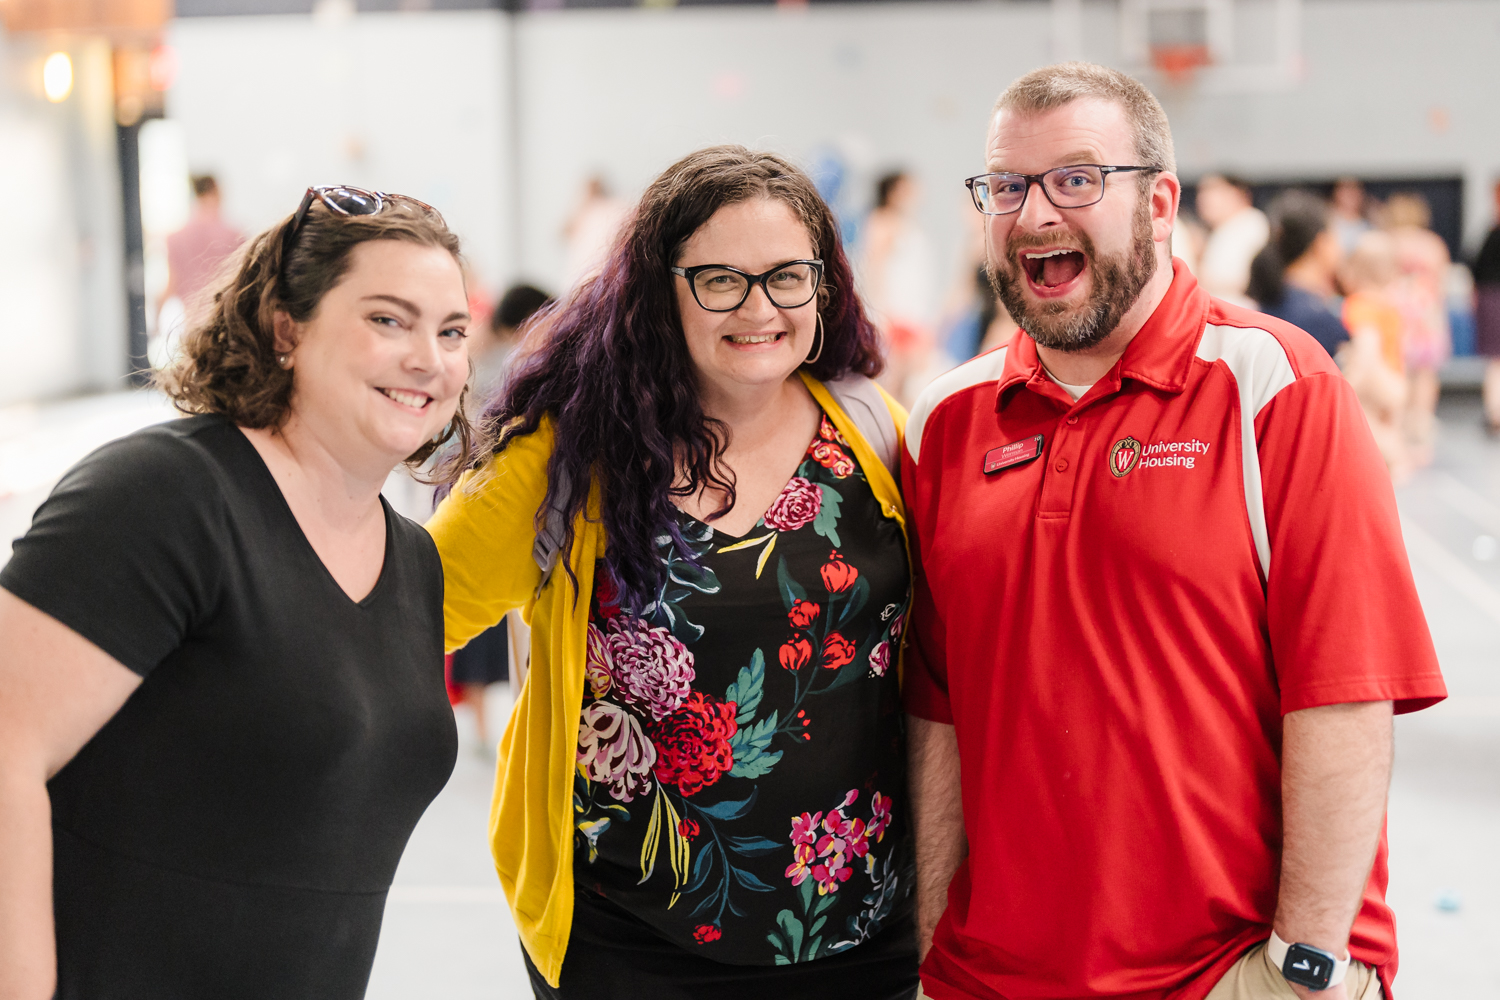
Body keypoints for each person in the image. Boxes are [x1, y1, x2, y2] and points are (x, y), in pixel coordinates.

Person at [904, 62, 1446, 1000]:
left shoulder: (1274, 385)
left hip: (1225, 974)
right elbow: (937, 709)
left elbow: (1345, 696)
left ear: (1158, 205)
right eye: (1007, 186)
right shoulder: (947, 419)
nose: (1035, 213)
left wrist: (1306, 965)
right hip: (990, 978)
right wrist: (928, 952)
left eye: (1076, 179)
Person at [426, 145, 917, 998]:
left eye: (786, 277)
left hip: (859, 934)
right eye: (720, 279)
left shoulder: (873, 429)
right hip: (629, 939)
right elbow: (404, 617)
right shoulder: (568, 454)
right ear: (660, 291)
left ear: (823, 286)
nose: (758, 307)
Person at [0, 185, 471, 999]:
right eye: (388, 320)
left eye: (452, 331)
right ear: (287, 329)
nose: (429, 358)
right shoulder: (168, 495)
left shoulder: (413, 562)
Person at [449, 281, 555, 750]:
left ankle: (480, 725)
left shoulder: (487, 359)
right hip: (487, 494)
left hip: (477, 490)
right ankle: (482, 725)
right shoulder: (507, 364)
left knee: (487, 631)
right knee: (489, 628)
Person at [1382, 193, 1451, 465]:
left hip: (1397, 315)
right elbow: (1441, 282)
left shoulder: (1388, 242)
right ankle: (1420, 432)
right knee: (1426, 375)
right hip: (1426, 316)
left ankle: (1398, 432)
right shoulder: (1432, 244)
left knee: (1399, 372)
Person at [859, 170, 939, 403]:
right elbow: (874, 267)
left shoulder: (908, 224)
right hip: (895, 310)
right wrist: (882, 311)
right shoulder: (882, 221)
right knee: (895, 376)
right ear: (894, 192)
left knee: (909, 377)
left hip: (913, 309)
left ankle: (902, 422)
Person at [1340, 232, 1412, 477]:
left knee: (1364, 428)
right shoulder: (1388, 304)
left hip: (1375, 378)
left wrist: (1350, 382)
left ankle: (1397, 459)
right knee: (1385, 426)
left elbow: (1367, 347)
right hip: (1395, 377)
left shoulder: (1360, 304)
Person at [1247, 189, 1349, 358]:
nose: (1341, 246)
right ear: (1321, 243)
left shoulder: (1273, 299)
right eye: (1335, 236)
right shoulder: (1315, 317)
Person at [156, 174, 245, 333]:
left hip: (194, 329)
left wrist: (156, 323)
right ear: (217, 192)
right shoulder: (235, 236)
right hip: (227, 326)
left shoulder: (175, 238)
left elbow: (171, 284)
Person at [1195, 172, 1269, 304]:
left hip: (1243, 309)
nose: (1203, 198)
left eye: (1212, 190)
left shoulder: (1251, 222)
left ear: (1236, 193)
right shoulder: (1221, 230)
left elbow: (1246, 279)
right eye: (1201, 192)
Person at [1472, 179, 1500, 435]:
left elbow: (1477, 269)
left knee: (1495, 359)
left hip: (1492, 298)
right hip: (1491, 297)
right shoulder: (1492, 231)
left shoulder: (1493, 233)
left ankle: (1494, 411)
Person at [1330, 177, 1372, 256]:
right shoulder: (1327, 223)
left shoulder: (1369, 225)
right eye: (1345, 187)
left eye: (1355, 187)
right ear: (1336, 192)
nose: (1350, 193)